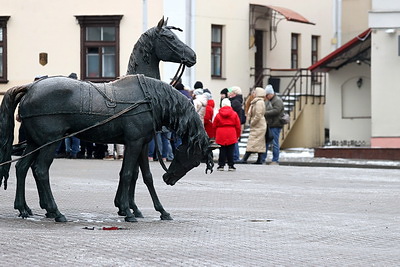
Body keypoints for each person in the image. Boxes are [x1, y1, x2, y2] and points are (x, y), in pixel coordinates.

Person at [238, 87, 266, 164]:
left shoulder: (259, 102)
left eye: (254, 92)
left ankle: (245, 158)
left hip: (258, 125)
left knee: (252, 142)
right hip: (258, 125)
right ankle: (259, 160)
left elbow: (258, 114)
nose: (253, 94)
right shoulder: (257, 101)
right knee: (258, 142)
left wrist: (252, 122)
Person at [213, 98, 241, 171]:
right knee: (230, 151)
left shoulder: (218, 114)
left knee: (222, 150)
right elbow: (238, 126)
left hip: (221, 133)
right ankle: (231, 165)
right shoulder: (234, 114)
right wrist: (237, 135)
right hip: (231, 132)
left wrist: (215, 135)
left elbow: (214, 125)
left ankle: (221, 165)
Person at [260, 84, 285, 165]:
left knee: (274, 143)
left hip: (275, 124)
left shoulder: (277, 100)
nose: (266, 97)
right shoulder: (269, 101)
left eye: (267, 95)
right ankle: (263, 159)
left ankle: (275, 160)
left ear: (270, 94)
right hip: (270, 124)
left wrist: (265, 113)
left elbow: (276, 111)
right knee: (266, 143)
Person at [227, 86, 245, 161]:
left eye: (230, 91)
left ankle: (235, 156)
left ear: (234, 93)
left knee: (234, 140)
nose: (228, 93)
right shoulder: (235, 101)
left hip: (234, 124)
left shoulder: (235, 102)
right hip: (235, 123)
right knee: (234, 140)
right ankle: (234, 156)